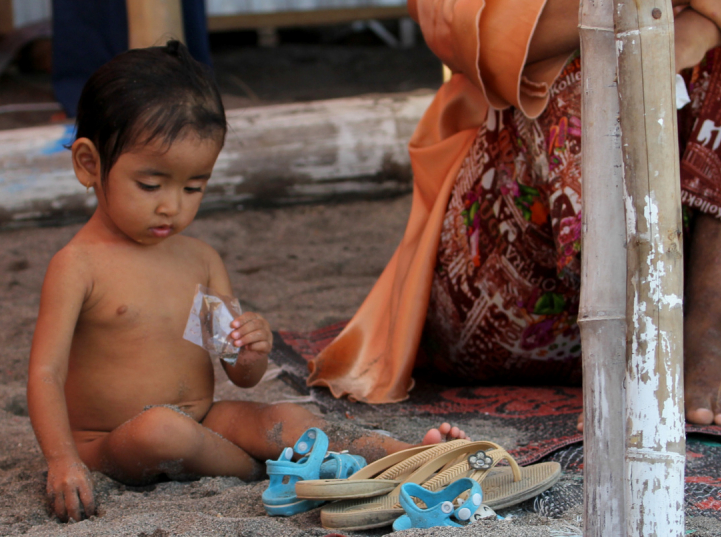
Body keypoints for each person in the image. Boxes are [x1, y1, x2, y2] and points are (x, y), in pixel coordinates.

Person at [27, 41, 466, 524]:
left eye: (194, 186)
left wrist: (251, 350)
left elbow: (238, 371)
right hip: (112, 440)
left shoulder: (200, 259)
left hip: (204, 418)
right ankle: (269, 470)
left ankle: (406, 454)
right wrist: (63, 460)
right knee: (162, 431)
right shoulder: (78, 265)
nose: (172, 206)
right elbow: (45, 374)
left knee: (285, 416)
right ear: (90, 164)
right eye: (150, 185)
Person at [308, 0, 721, 429]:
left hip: (685, 289)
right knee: (593, 58)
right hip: (505, 288)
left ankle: (708, 341)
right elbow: (459, 27)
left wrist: (705, 29)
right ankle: (632, 353)